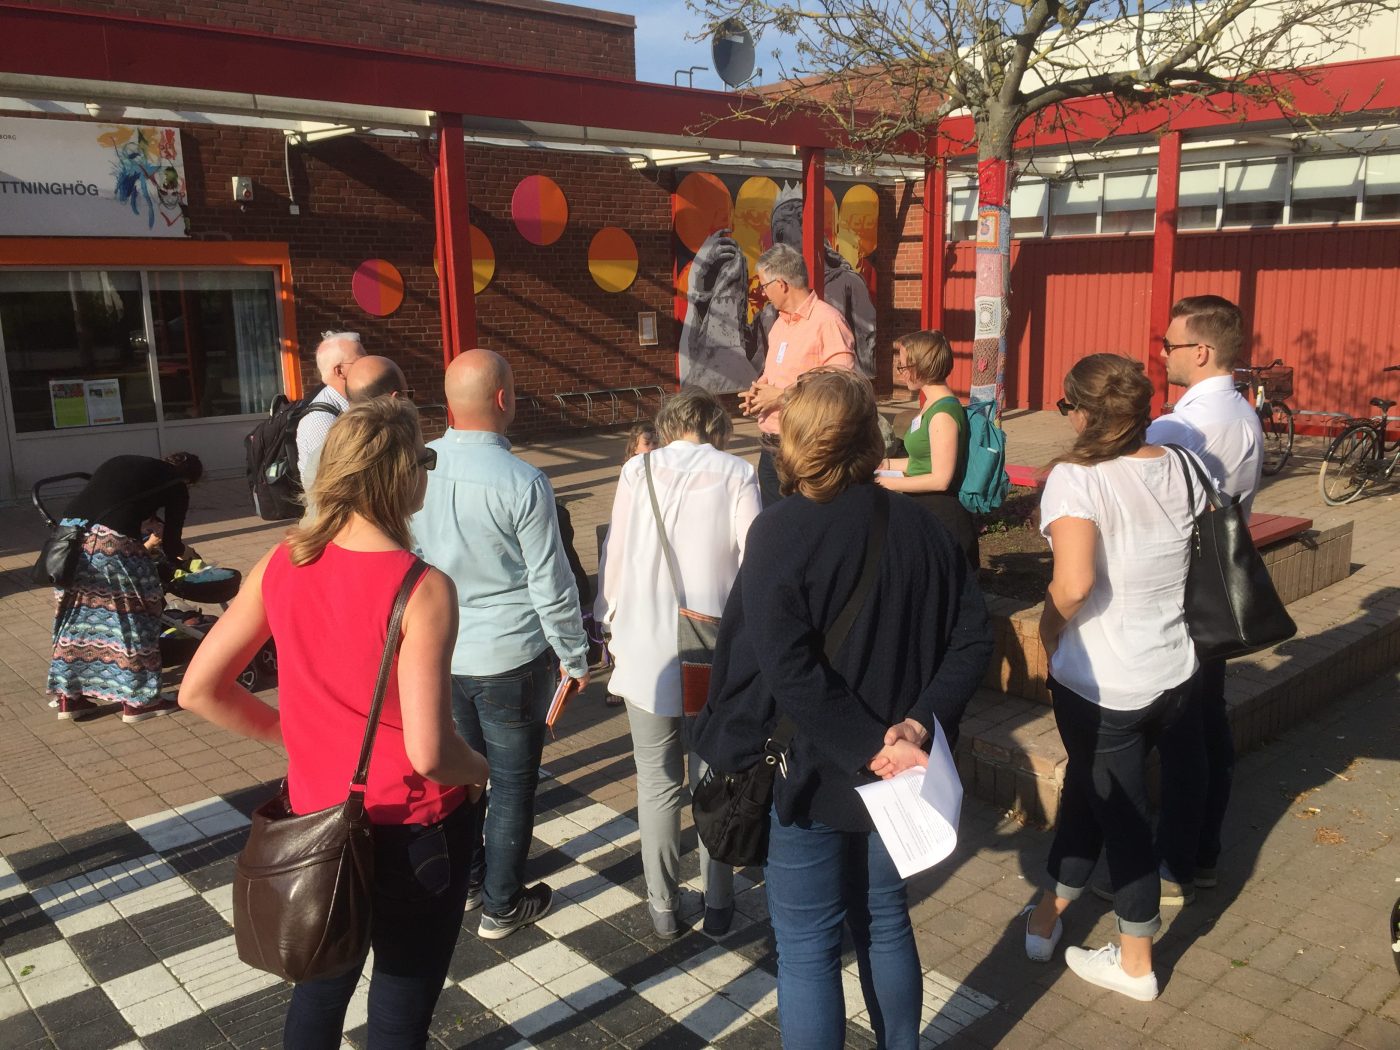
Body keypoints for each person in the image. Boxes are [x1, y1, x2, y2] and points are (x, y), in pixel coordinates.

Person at [178, 397, 489, 1049]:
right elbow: (431, 752)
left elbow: (199, 690)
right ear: (401, 476)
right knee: (401, 1000)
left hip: (315, 814)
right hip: (414, 823)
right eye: (425, 461)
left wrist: (289, 737)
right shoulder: (422, 587)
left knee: (319, 982)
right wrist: (481, 771)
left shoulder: (282, 561)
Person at [697, 369, 992, 1049]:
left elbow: (788, 669)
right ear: (871, 440)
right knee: (885, 921)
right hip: (902, 773)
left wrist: (874, 744)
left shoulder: (780, 531)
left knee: (807, 947)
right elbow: (973, 638)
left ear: (796, 439)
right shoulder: (926, 526)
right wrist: (915, 726)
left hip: (812, 770)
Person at [1021, 353, 1208, 1003]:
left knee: (1122, 819)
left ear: (1083, 413)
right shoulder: (1182, 464)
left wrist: (1046, 631)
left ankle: (1136, 965)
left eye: (1065, 407)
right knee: (1091, 791)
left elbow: (1074, 584)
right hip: (1173, 672)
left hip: (1104, 685)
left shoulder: (1077, 479)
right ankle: (1047, 915)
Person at [411, 347, 590, 940]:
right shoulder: (523, 481)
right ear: (503, 399)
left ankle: (469, 881)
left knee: (463, 777)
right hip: (511, 653)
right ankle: (503, 904)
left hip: (442, 648)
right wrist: (574, 654)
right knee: (512, 784)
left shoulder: (418, 466)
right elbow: (551, 581)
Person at [595, 390, 760, 939]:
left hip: (645, 648)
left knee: (655, 782)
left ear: (668, 427)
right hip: (712, 649)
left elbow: (615, 557)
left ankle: (663, 906)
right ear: (717, 427)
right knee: (714, 778)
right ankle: (719, 902)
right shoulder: (738, 472)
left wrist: (607, 622)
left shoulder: (635, 470)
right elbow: (755, 559)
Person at [1141, 294, 1263, 904]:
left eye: (1170, 344)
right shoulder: (1242, 412)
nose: (1162, 354)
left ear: (1202, 350)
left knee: (1183, 736)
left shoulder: (1179, 427)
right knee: (1208, 726)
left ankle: (1173, 865)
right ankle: (1203, 853)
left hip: (1178, 594)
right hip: (1214, 589)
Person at [48, 452, 203, 724]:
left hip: (66, 543)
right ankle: (140, 702)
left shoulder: (124, 463)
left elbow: (112, 502)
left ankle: (70, 698)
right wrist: (185, 556)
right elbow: (171, 544)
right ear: (189, 480)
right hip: (111, 547)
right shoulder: (176, 484)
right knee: (137, 616)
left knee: (75, 619)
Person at [740, 243, 856, 507]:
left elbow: (842, 387)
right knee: (774, 522)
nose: (762, 292)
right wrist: (758, 393)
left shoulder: (828, 321)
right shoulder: (780, 324)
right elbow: (774, 373)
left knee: (804, 522)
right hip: (770, 447)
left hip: (805, 447)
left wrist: (782, 396)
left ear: (781, 284)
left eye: (764, 285)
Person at [875, 330, 979, 565]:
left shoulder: (943, 414)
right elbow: (924, 460)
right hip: (927, 512)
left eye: (903, 366)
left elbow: (940, 479)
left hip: (944, 518)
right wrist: (886, 465)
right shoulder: (931, 405)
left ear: (921, 366)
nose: (900, 372)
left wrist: (884, 482)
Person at [601, 420, 660, 708]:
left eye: (657, 443)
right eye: (647, 443)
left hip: (649, 548)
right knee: (619, 615)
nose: (653, 448)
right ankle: (618, 676)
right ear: (633, 448)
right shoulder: (631, 471)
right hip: (628, 548)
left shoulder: (662, 469)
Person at [297, 331, 367, 493]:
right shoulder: (320, 420)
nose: (367, 365)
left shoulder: (352, 404)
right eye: (360, 361)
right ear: (339, 371)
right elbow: (340, 484)